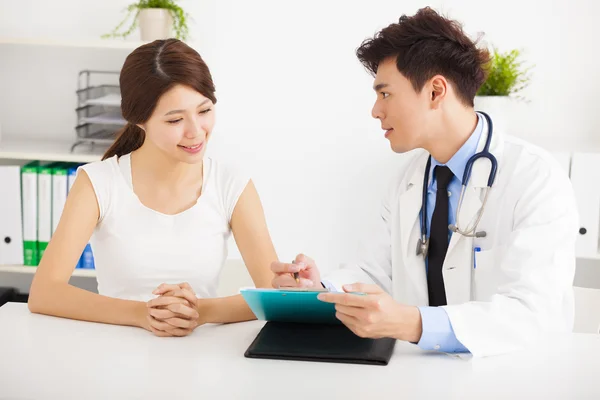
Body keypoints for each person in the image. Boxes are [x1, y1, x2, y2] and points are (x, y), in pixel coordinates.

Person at [270, 7, 578, 357]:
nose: (375, 110)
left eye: (385, 94)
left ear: (435, 92)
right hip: (425, 377)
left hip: (520, 378)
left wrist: (411, 324)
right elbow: (375, 272)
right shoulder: (407, 181)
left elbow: (531, 312)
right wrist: (321, 288)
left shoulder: (534, 178)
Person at [28, 39, 278, 337]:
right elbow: (44, 293)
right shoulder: (98, 183)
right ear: (138, 120)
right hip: (112, 353)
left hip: (199, 358)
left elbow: (273, 295)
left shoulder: (232, 185)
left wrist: (199, 311)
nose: (195, 131)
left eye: (204, 110)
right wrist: (143, 314)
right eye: (175, 119)